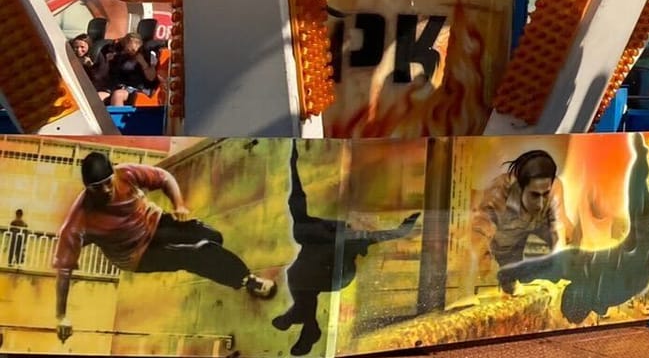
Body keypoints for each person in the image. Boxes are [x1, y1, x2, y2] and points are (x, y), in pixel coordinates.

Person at [53, 153, 275, 342]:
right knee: (194, 253)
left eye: (107, 183)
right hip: (136, 254)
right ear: (87, 189)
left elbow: (164, 178)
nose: (104, 191)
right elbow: (64, 272)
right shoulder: (78, 221)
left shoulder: (126, 173)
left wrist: (178, 204)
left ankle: (214, 260)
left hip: (155, 223)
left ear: (114, 174)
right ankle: (248, 280)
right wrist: (61, 316)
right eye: (96, 188)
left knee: (213, 236)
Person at [495, 139, 649, 324]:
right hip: (645, 242)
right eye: (573, 285)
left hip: (640, 250)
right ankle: (640, 157)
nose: (571, 280)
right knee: (638, 197)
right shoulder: (605, 284)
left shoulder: (599, 289)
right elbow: (560, 266)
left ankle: (640, 160)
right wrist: (516, 273)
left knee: (637, 198)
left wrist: (517, 273)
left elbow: (559, 268)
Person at [273, 144, 419, 356]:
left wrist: (403, 229)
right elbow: (296, 197)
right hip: (313, 269)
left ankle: (302, 318)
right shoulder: (307, 226)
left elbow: (381, 236)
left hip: (337, 272)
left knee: (302, 275)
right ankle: (308, 324)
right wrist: (293, 165)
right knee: (297, 275)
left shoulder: (344, 237)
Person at [473, 149, 580, 286]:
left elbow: (559, 229)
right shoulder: (499, 192)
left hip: (541, 233)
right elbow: (481, 232)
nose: (540, 202)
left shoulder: (554, 186)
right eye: (534, 195)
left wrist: (560, 269)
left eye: (545, 194)